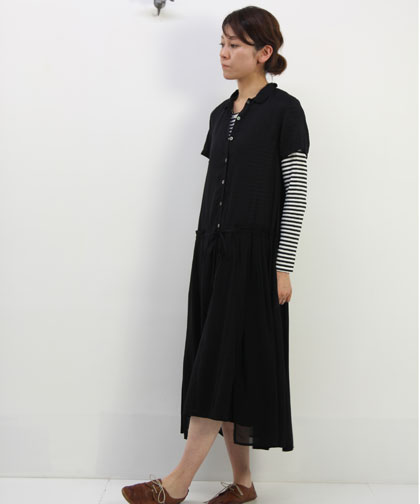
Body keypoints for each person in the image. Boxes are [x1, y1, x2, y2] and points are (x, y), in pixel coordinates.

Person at [122, 6, 310, 504]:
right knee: (229, 365)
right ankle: (243, 484)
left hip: (254, 259)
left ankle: (176, 484)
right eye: (221, 44)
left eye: (234, 45)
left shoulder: (286, 111)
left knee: (215, 366)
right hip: (211, 252)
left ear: (264, 52)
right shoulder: (219, 114)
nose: (224, 54)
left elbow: (296, 191)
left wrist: (283, 265)